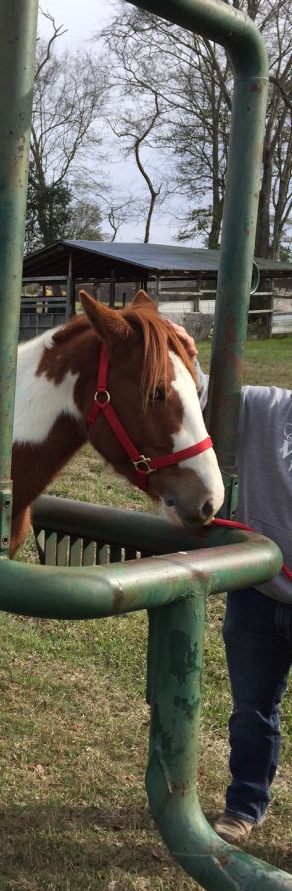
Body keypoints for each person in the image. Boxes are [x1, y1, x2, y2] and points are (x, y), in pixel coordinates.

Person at [176, 328, 292, 843]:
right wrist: (187, 358)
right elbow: (204, 400)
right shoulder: (265, 409)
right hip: (258, 591)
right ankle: (245, 804)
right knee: (251, 710)